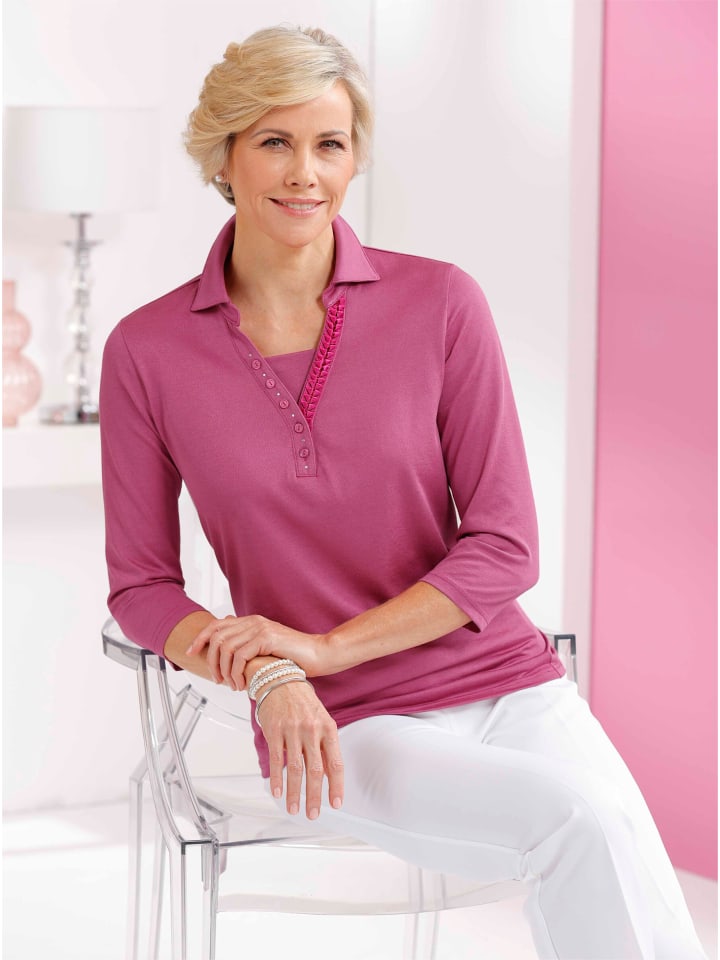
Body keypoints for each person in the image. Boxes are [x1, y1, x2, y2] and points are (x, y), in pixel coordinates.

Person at [99, 24, 708, 960]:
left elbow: (505, 544)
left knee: (621, 839)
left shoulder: (440, 303)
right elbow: (142, 586)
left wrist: (323, 645)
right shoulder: (148, 350)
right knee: (580, 822)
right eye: (275, 141)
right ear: (222, 154)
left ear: (355, 158)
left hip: (505, 681)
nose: (306, 173)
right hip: (344, 720)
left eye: (330, 144)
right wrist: (274, 673)